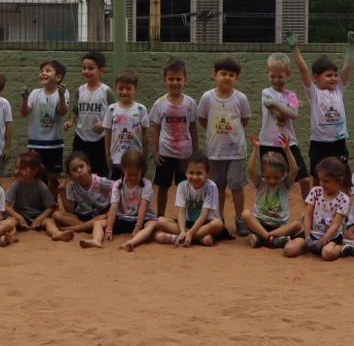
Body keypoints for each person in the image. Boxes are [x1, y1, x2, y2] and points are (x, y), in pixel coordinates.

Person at [197, 56, 252, 237]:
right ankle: (218, 219)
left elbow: (244, 121)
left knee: (236, 185)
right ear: (215, 75)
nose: (227, 77)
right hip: (215, 151)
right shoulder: (207, 97)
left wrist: (232, 135)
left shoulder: (241, 98)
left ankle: (239, 218)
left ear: (236, 78)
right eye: (223, 74)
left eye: (231, 74)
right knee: (217, 186)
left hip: (236, 151)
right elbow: (203, 119)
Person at [291, 31, 354, 169]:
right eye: (328, 75)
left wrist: (351, 47)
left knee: (341, 173)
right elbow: (303, 70)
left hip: (339, 142)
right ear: (316, 77)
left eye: (335, 75)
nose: (333, 78)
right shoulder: (314, 93)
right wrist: (295, 48)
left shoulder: (339, 89)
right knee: (317, 174)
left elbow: (347, 68)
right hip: (319, 143)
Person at [147, 59, 197, 217]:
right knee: (162, 187)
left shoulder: (190, 104)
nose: (175, 82)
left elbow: (193, 127)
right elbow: (155, 128)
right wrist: (154, 152)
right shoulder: (160, 104)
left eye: (178, 79)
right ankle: (160, 216)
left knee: (186, 187)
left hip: (185, 155)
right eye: (171, 79)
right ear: (165, 80)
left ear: (185, 80)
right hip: (165, 154)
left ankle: (187, 217)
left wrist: (195, 152)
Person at [282, 158, 350, 261]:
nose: (322, 184)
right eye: (320, 180)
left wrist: (322, 240)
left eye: (326, 181)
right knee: (289, 250)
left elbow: (336, 224)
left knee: (327, 254)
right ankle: (310, 248)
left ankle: (341, 248)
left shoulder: (343, 199)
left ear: (339, 180)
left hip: (331, 236)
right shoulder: (315, 191)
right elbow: (308, 215)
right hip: (313, 233)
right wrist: (308, 236)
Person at [241, 134, 301, 249]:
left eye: (276, 177)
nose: (272, 181)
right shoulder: (261, 184)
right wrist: (256, 148)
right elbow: (250, 170)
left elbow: (294, 171)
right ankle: (272, 240)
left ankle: (263, 238)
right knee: (246, 214)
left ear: (283, 174)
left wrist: (287, 150)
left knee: (297, 225)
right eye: (268, 177)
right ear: (263, 174)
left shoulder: (285, 184)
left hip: (278, 225)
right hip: (260, 223)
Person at [259, 52, 308, 193]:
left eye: (280, 76)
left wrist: (275, 103)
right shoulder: (266, 92)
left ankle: (311, 212)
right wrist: (290, 109)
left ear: (288, 74)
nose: (276, 80)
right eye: (272, 76)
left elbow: (293, 115)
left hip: (288, 142)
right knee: (269, 182)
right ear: (268, 73)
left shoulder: (292, 95)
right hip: (268, 143)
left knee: (304, 179)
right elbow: (280, 116)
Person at [19, 59, 71, 183]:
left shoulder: (62, 93)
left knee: (53, 177)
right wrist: (25, 99)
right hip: (35, 143)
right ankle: (38, 202)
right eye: (41, 71)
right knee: (36, 176)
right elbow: (24, 113)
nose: (43, 73)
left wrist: (62, 97)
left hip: (55, 144)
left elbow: (62, 111)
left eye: (47, 71)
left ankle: (52, 202)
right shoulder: (35, 93)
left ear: (58, 77)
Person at [160, 156, 224, 248]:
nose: (194, 177)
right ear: (186, 173)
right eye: (191, 173)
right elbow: (181, 212)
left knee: (218, 223)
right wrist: (182, 231)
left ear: (207, 174)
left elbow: (204, 214)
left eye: (199, 173)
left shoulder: (211, 187)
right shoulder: (182, 186)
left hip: (205, 223)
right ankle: (196, 238)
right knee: (160, 221)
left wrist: (190, 233)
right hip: (187, 223)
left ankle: (179, 238)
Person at [54, 151, 114, 244]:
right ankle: (87, 227)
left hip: (100, 214)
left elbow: (117, 186)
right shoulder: (71, 186)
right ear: (70, 174)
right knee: (56, 215)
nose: (79, 170)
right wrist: (62, 193)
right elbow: (70, 210)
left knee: (104, 216)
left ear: (88, 166)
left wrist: (112, 202)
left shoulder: (99, 181)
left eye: (81, 166)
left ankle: (74, 228)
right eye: (74, 169)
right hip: (83, 216)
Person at [71, 50, 113, 178]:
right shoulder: (80, 90)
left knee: (100, 171)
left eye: (91, 68)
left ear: (101, 71)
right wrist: (71, 121)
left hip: (99, 139)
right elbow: (75, 110)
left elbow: (115, 111)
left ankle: (101, 197)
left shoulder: (106, 91)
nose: (86, 71)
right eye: (84, 68)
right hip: (81, 136)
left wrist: (105, 122)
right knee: (79, 170)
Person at [104, 72, 150, 181]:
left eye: (128, 88)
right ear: (116, 88)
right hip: (116, 158)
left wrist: (144, 155)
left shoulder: (141, 109)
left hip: (135, 158)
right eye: (121, 88)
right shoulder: (111, 109)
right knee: (115, 189)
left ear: (135, 89)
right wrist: (108, 155)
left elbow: (144, 134)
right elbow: (107, 134)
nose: (124, 92)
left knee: (135, 187)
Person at [107, 149, 158, 250]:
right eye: (129, 174)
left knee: (152, 224)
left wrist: (138, 227)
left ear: (142, 171)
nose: (133, 177)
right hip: (124, 218)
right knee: (99, 223)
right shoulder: (118, 185)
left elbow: (143, 208)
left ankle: (132, 242)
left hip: (142, 220)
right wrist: (109, 228)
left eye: (136, 174)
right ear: (123, 169)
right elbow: (113, 207)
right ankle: (96, 240)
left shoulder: (146, 185)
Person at [6, 150, 60, 239]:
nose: (17, 171)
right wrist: (18, 217)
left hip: (38, 216)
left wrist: (40, 218)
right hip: (20, 216)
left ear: (35, 170)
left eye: (22, 168)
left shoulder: (41, 186)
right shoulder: (16, 184)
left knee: (49, 222)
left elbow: (50, 207)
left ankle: (56, 234)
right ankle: (11, 235)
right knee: (10, 221)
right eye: (16, 167)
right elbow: (4, 205)